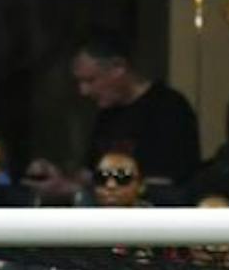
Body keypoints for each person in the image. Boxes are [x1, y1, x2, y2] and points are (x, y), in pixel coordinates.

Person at [74, 30, 201, 189]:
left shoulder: (168, 108)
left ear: (119, 67)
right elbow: (89, 172)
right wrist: (61, 183)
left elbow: (162, 183)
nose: (84, 91)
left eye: (91, 80)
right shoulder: (106, 114)